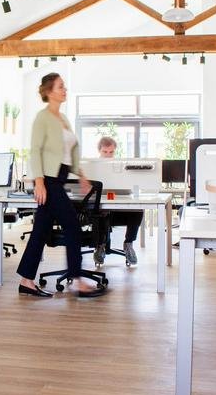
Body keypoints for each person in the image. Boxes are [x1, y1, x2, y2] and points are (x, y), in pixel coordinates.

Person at [16, 73, 108, 298]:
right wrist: (39, 182)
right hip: (49, 180)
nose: (64, 90)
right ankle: (77, 281)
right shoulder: (43, 117)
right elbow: (35, 150)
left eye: (64, 86)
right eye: (60, 87)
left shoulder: (63, 119)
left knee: (40, 231)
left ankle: (26, 281)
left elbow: (70, 153)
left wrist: (82, 175)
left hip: (60, 177)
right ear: (49, 91)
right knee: (73, 227)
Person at [95, 136, 142, 265]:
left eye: (111, 152)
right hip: (99, 211)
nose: (108, 155)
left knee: (137, 210)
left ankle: (128, 244)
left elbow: (128, 188)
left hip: (117, 210)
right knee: (101, 212)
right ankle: (100, 246)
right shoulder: (93, 167)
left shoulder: (121, 167)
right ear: (99, 151)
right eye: (105, 152)